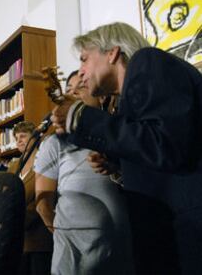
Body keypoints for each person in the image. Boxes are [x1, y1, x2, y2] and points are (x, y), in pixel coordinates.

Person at [51, 22, 202, 273]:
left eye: (84, 59)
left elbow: (166, 144)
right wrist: (118, 165)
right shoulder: (127, 100)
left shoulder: (147, 61)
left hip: (189, 234)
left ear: (112, 53)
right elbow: (159, 152)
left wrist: (80, 117)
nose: (81, 73)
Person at [35, 71, 133, 274]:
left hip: (120, 255)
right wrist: (68, 237)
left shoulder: (119, 135)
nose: (73, 94)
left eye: (81, 87)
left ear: (102, 96)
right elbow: (43, 204)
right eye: (69, 90)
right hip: (75, 260)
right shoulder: (55, 143)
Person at [7, 121, 53, 275]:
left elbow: (45, 196)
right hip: (17, 241)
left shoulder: (45, 161)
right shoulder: (13, 166)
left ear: (36, 138)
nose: (19, 140)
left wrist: (17, 218)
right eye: (16, 137)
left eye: (23, 136)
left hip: (39, 238)